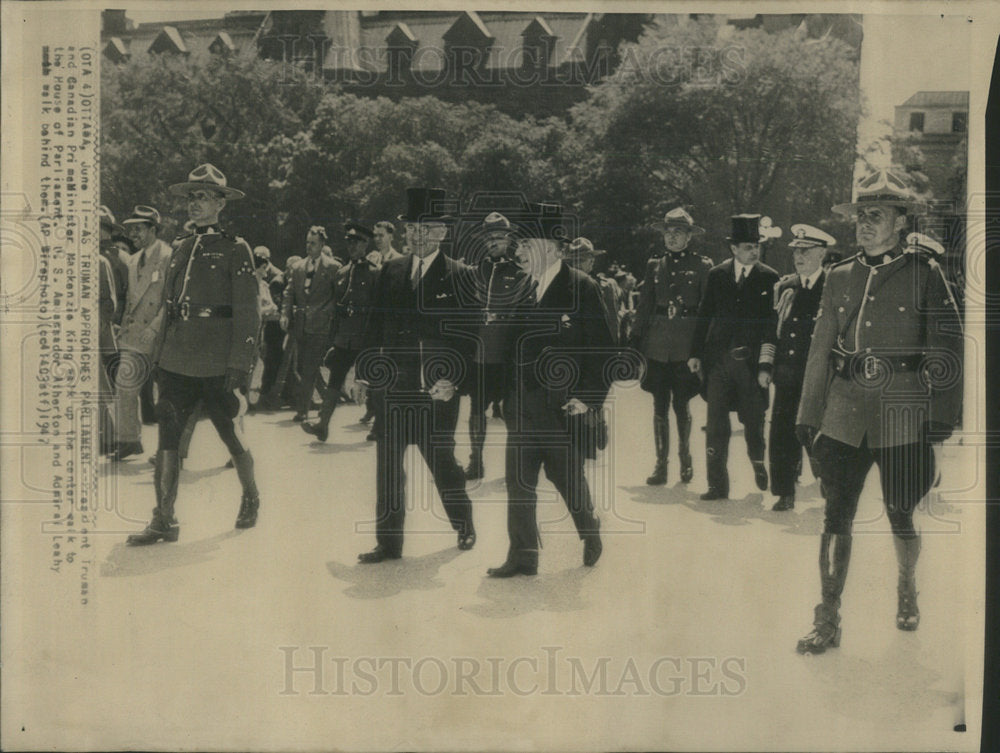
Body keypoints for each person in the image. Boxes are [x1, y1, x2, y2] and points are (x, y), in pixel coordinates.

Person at [794, 170, 962, 654]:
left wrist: (941, 416)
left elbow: (947, 349)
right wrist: (809, 413)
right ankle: (827, 618)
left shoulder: (923, 273)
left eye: (876, 216)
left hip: (902, 412)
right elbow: (820, 348)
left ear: (900, 221)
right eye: (860, 216)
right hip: (844, 413)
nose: (864, 225)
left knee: (900, 513)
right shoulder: (839, 275)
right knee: (835, 516)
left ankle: (906, 589)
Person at [126, 164, 261, 545]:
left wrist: (240, 368)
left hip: (217, 363)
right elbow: (170, 306)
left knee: (230, 434)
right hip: (177, 361)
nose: (194, 204)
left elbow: (248, 314)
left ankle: (250, 495)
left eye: (203, 197)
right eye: (191, 197)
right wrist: (158, 356)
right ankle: (163, 519)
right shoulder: (182, 247)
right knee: (168, 439)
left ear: (221, 203)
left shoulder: (237, 248)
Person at [487, 203, 614, 578]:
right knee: (519, 483)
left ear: (556, 249)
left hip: (562, 408)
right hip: (522, 406)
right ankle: (523, 555)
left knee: (567, 480)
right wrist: (497, 398)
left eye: (531, 245)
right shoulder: (522, 290)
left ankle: (589, 528)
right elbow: (507, 349)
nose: (521, 251)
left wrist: (588, 399)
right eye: (521, 245)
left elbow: (605, 351)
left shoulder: (582, 287)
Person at [354, 187, 477, 563]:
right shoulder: (391, 270)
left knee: (443, 465)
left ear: (442, 233)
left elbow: (470, 340)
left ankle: (464, 523)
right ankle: (388, 543)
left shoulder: (459, 275)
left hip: (436, 393)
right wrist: (363, 374)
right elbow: (373, 328)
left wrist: (455, 381)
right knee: (388, 470)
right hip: (392, 390)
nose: (415, 235)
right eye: (411, 228)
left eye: (426, 228)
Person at [689, 214, 781, 500]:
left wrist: (766, 365)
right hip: (719, 362)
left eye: (757, 246)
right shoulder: (717, 275)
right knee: (716, 424)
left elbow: (771, 325)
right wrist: (695, 354)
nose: (754, 251)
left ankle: (757, 462)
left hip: (752, 365)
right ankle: (717, 485)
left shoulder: (769, 277)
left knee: (754, 422)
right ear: (733, 248)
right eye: (748, 246)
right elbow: (704, 315)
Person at [630, 208, 712, 485]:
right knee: (659, 404)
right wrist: (634, 340)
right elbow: (644, 306)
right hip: (657, 344)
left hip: (686, 345)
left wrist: (701, 349)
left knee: (681, 404)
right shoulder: (655, 265)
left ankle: (685, 458)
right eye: (668, 232)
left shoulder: (702, 266)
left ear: (689, 236)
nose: (672, 237)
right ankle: (660, 464)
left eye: (678, 232)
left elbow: (706, 310)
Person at [764, 224, 835, 511]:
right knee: (781, 433)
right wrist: (766, 365)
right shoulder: (785, 286)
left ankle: (830, 486)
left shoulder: (833, 286)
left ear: (821, 253)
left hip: (818, 376)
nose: (799, 257)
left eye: (806, 251)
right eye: (796, 252)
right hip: (787, 373)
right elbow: (773, 331)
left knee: (817, 434)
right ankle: (784, 491)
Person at [461, 211, 525, 480]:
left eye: (499, 237)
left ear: (508, 240)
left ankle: (518, 464)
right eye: (489, 238)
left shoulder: (519, 273)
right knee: (477, 409)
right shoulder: (476, 271)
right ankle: (476, 461)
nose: (493, 242)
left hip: (506, 354)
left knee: (512, 412)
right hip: (481, 354)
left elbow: (522, 316)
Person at [302, 222, 379, 442]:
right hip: (344, 338)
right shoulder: (342, 272)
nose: (352, 247)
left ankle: (379, 426)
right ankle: (322, 425)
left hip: (366, 338)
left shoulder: (375, 273)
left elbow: (377, 310)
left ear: (365, 244)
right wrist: (332, 341)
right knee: (335, 379)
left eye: (356, 243)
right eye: (349, 242)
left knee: (373, 381)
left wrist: (375, 342)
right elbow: (336, 308)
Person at [110, 205, 173, 461]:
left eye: (139, 228)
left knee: (166, 396)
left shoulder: (169, 256)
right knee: (124, 386)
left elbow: (171, 299)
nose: (133, 233)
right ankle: (129, 440)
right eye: (131, 228)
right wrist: (122, 325)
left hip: (160, 335)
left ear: (153, 230)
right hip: (133, 335)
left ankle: (167, 450)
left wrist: (155, 327)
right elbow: (130, 298)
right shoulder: (134, 258)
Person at [281, 227, 342, 422]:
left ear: (322, 244)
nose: (309, 246)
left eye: (313, 243)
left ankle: (302, 410)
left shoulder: (333, 267)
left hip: (321, 326)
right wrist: (285, 314)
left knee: (309, 367)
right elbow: (289, 293)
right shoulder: (298, 266)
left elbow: (338, 296)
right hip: (300, 325)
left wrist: (327, 312)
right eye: (307, 242)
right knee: (302, 367)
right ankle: (328, 399)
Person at [565, 237, 623, 346]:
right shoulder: (564, 286)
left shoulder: (604, 286)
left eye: (582, 259)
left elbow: (612, 323)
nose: (576, 264)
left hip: (596, 347)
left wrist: (613, 350)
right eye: (574, 260)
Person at [251, 246, 285, 409]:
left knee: (259, 362)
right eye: (263, 267)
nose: (266, 270)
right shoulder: (249, 285)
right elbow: (254, 309)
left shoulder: (264, 285)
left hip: (262, 330)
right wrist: (266, 310)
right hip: (251, 329)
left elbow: (271, 306)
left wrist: (266, 309)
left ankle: (256, 397)